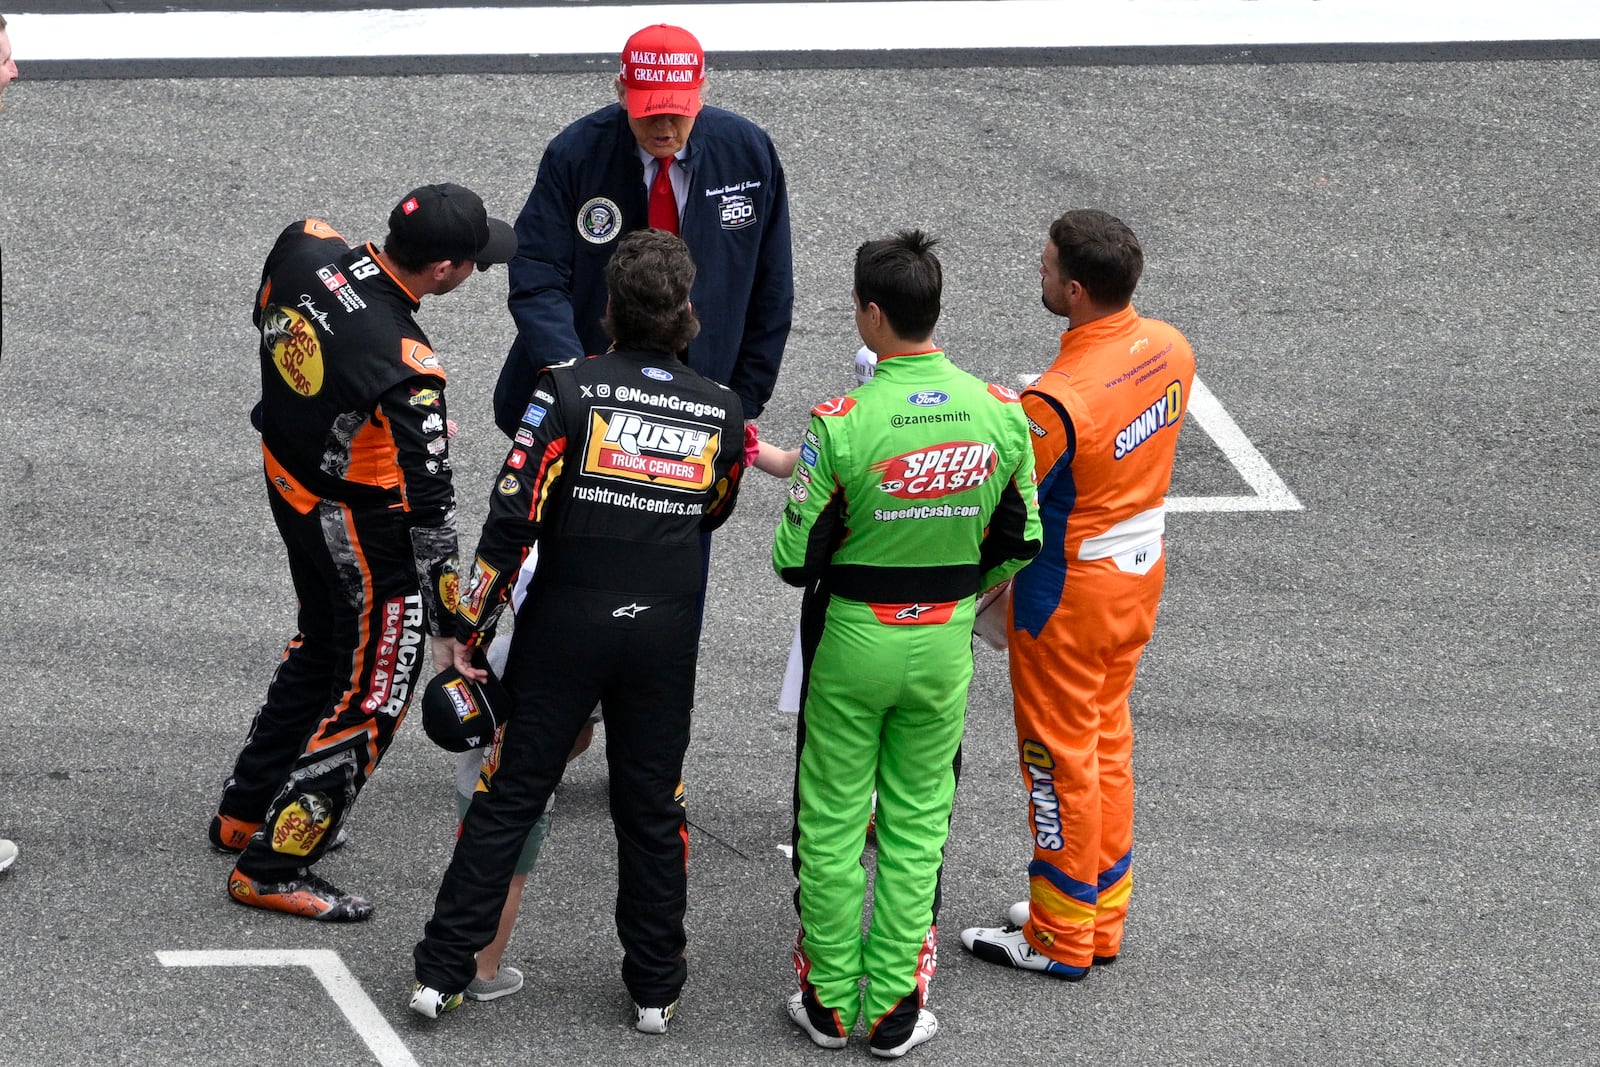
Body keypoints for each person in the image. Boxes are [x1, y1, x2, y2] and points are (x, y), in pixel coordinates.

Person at [410, 229, 746, 1033]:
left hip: (567, 623)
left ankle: (442, 974)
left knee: (508, 796)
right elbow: (716, 508)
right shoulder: (723, 410)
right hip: (662, 629)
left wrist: (467, 627)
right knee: (654, 806)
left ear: (608, 310)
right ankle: (655, 989)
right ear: (688, 315)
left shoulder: (564, 391)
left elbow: (509, 520)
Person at [209, 183, 516, 921]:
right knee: (378, 690)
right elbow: (433, 509)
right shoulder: (408, 366)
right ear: (442, 270)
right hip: (357, 527)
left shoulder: (305, 245)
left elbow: (269, 317)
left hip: (288, 481)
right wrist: (448, 628)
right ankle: (273, 864)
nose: (478, 268)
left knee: (322, 643)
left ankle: (246, 811)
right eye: (474, 260)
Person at [773, 231, 1042, 1058]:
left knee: (831, 820)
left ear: (871, 313)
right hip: (944, 643)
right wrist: (954, 585)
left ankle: (826, 1003)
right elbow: (1020, 537)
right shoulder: (1001, 411)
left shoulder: (841, 422)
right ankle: (892, 1011)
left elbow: (793, 557)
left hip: (854, 640)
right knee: (918, 823)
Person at [960, 210, 1196, 979]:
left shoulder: (1056, 403)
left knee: (1054, 762)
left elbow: (1006, 500)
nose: (1038, 268)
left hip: (1066, 596)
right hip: (1138, 577)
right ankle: (1098, 912)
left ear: (1075, 287)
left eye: (1046, 263)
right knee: (1106, 743)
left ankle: (1059, 936)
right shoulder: (1169, 347)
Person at [494, 21, 791, 436]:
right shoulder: (576, 154)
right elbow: (537, 272)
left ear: (702, 92)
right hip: (584, 386)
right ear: (620, 92)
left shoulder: (748, 153)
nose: (664, 128)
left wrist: (741, 399)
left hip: (699, 391)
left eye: (678, 112)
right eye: (650, 111)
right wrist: (571, 377)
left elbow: (772, 283)